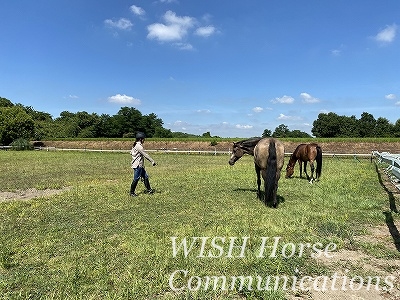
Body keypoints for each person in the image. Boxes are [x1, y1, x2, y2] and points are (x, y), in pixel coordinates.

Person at [130, 132, 156, 196]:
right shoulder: (139, 146)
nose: (144, 140)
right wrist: (152, 161)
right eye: (143, 139)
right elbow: (145, 155)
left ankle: (149, 190)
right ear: (141, 139)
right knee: (136, 178)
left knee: (145, 177)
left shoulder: (135, 145)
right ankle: (132, 192)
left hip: (139, 165)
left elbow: (131, 152)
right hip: (138, 165)